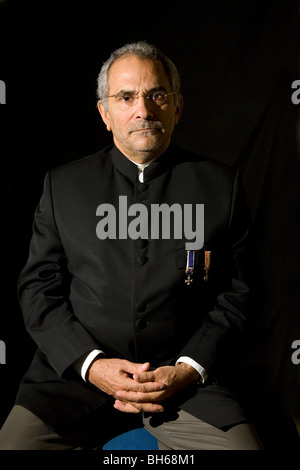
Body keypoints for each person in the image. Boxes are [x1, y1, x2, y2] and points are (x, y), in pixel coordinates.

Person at [0, 41, 263, 450]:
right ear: (105, 114)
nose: (143, 110)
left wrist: (189, 368)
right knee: (16, 443)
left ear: (177, 108)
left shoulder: (220, 187)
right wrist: (91, 365)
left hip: (186, 382)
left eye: (156, 95)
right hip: (77, 379)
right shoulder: (62, 188)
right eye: (126, 97)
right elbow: (38, 289)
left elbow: (240, 293)